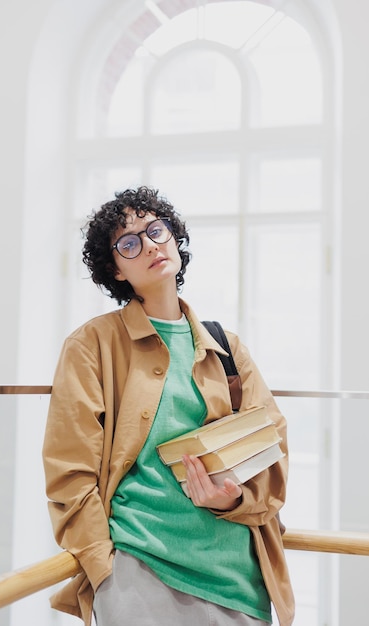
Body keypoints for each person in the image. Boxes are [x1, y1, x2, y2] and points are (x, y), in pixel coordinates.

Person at [42, 186, 295, 626]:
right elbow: (69, 473)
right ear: (115, 270)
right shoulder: (92, 345)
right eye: (129, 242)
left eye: (155, 230)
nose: (149, 245)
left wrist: (233, 497)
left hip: (239, 581)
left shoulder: (227, 348)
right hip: (140, 573)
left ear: (174, 238)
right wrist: (105, 571)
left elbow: (273, 458)